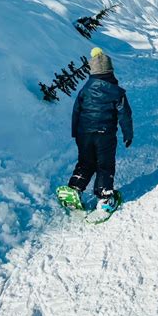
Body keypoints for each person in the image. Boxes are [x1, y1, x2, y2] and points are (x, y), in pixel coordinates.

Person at [68, 47, 133, 212]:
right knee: (105, 165)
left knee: (85, 162)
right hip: (105, 135)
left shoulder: (85, 90)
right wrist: (128, 134)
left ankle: (75, 188)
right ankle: (104, 197)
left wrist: (75, 132)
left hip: (84, 134)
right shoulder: (117, 92)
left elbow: (76, 111)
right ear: (110, 70)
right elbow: (125, 114)